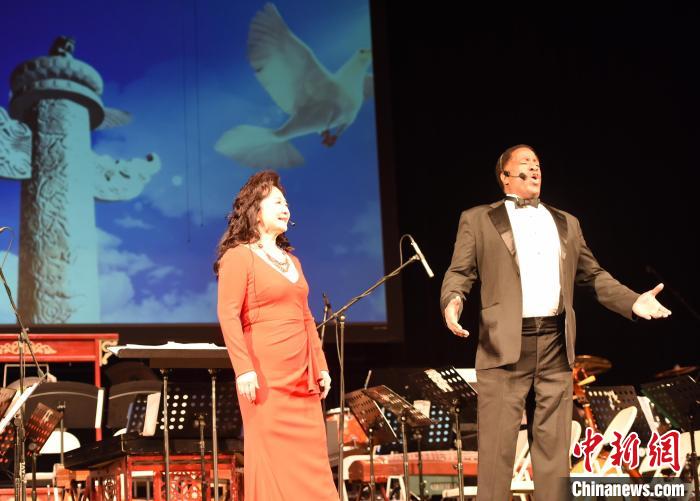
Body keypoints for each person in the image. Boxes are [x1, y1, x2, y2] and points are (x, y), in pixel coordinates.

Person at [440, 144, 671, 500]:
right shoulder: (478, 219)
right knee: (497, 454)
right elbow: (460, 272)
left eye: (537, 163)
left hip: (555, 344)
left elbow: (592, 275)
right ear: (504, 176)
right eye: (525, 163)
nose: (534, 167)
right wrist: (453, 300)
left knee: (553, 456)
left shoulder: (566, 222)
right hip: (504, 344)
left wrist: (633, 300)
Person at [215, 170, 337, 500]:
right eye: (277, 202)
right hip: (265, 377)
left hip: (302, 378)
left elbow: (306, 317)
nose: (286, 208)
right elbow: (228, 314)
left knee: (313, 465)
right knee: (272, 462)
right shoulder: (238, 256)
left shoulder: (293, 262)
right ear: (256, 210)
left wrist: (321, 366)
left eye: (286, 203)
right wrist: (243, 369)